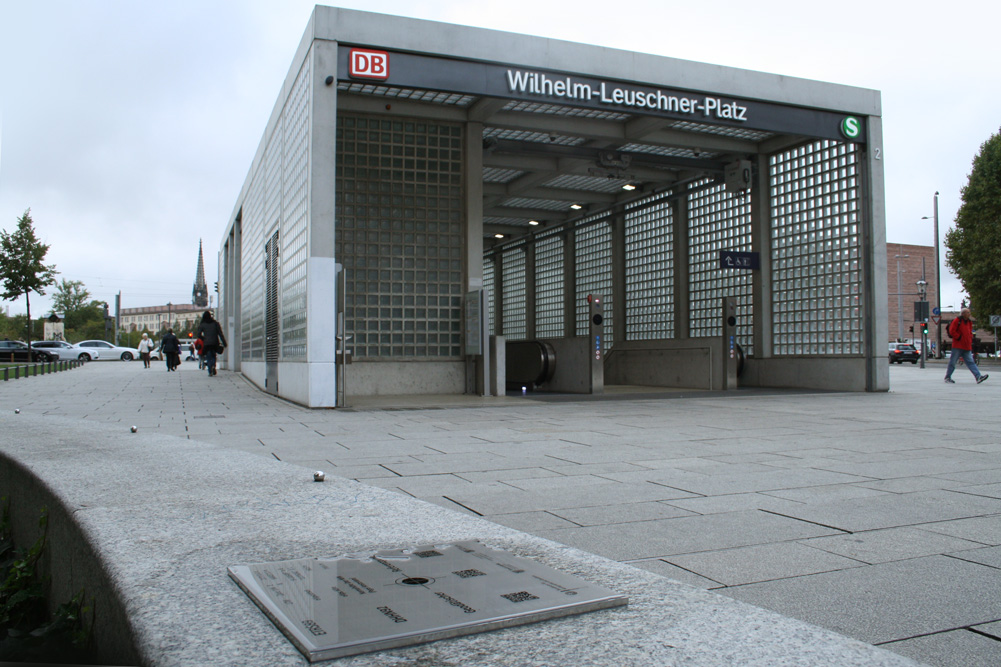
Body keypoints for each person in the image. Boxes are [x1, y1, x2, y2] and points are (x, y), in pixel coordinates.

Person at [944, 308, 988, 385]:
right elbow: (952, 331)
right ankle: (948, 377)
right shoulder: (957, 320)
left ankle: (978, 377)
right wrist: (959, 337)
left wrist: (970, 340)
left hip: (966, 346)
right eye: (968, 312)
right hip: (958, 346)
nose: (969, 314)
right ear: (963, 313)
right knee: (953, 362)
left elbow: (970, 332)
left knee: (971, 362)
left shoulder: (969, 322)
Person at [196, 311, 227, 377]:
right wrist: (224, 342)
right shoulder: (215, 323)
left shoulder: (202, 324)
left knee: (208, 356)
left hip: (207, 343)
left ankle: (210, 369)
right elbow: (220, 334)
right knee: (213, 355)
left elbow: (198, 334)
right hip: (215, 342)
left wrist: (204, 339)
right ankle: (213, 365)